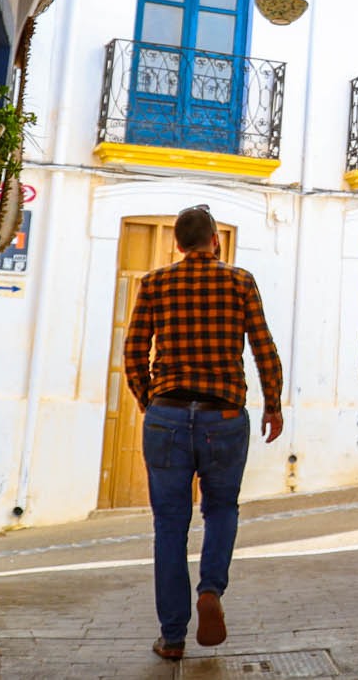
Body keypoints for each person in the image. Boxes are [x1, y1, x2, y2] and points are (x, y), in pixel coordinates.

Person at [122, 203, 284, 660]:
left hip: (168, 413)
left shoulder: (153, 283)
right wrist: (273, 404)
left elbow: (134, 351)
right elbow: (263, 347)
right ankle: (210, 589)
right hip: (225, 416)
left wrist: (149, 402)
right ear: (216, 241)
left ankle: (172, 636)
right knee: (220, 509)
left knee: (169, 525)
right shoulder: (240, 281)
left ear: (177, 243)